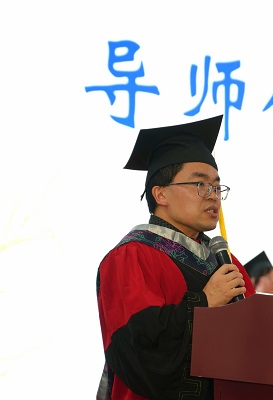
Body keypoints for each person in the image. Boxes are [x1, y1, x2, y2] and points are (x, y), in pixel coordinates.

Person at [96, 114, 256, 400]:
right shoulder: (131, 257)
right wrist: (204, 302)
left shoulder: (228, 264)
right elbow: (138, 351)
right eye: (200, 185)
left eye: (217, 187)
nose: (213, 196)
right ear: (160, 194)